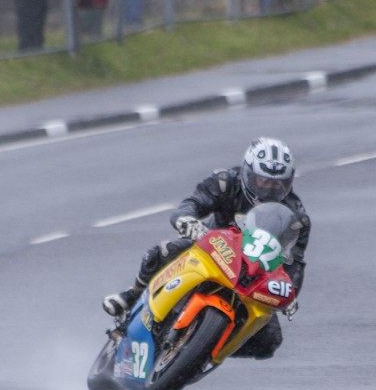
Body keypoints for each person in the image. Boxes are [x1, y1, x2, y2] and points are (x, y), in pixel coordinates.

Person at [103, 137, 311, 360]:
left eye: (277, 185)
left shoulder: (296, 218)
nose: (269, 190)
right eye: (263, 182)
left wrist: (289, 292)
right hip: (210, 246)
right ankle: (133, 295)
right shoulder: (225, 182)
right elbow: (192, 203)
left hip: (252, 272)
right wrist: (187, 220)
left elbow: (295, 264)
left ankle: (205, 351)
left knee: (269, 341)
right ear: (248, 174)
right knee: (162, 253)